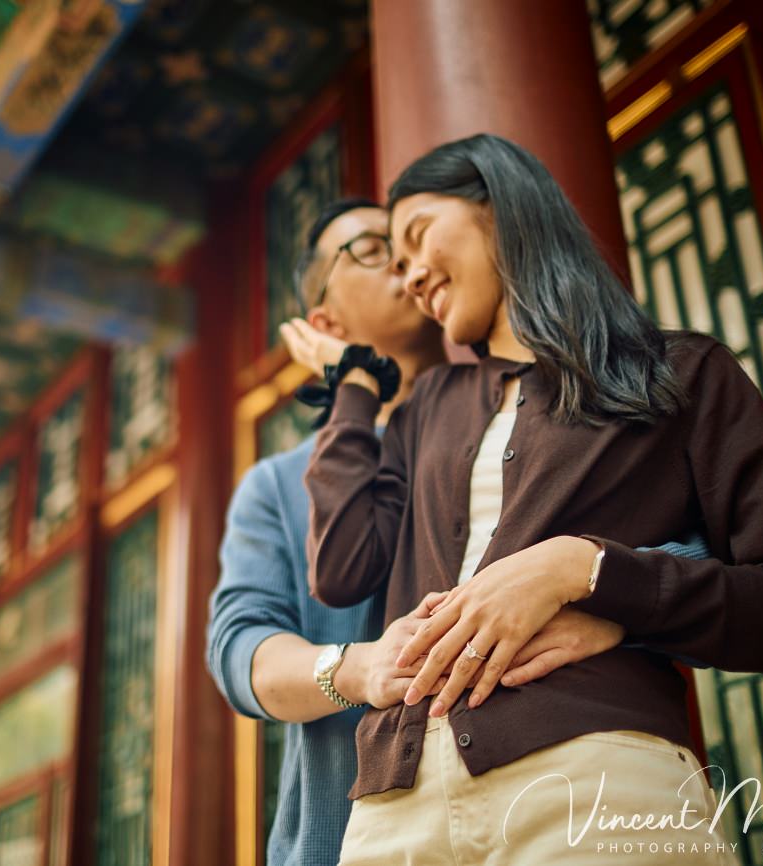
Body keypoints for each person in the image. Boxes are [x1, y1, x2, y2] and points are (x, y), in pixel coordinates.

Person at [295, 134, 763, 864]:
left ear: (498, 206)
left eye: (419, 238)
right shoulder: (429, 406)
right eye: (395, 263)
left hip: (597, 783)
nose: (413, 276)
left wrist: (583, 569)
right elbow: (341, 567)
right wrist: (357, 387)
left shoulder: (680, 373)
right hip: (396, 814)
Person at [207, 197, 708, 866]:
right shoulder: (279, 483)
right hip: (360, 833)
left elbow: (702, 558)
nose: (406, 264)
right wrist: (358, 669)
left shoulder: (544, 410)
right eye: (371, 248)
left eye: (414, 242)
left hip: (565, 800)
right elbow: (242, 648)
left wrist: (613, 608)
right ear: (323, 320)